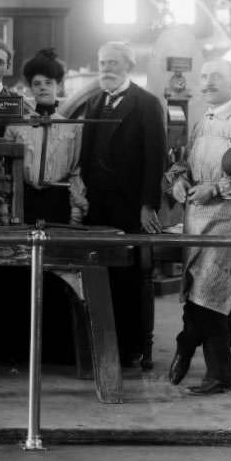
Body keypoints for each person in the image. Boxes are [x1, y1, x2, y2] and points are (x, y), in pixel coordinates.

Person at [166, 58, 231, 394]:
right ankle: (217, 373)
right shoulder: (203, 121)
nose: (208, 81)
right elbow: (185, 163)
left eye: (217, 76)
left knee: (212, 292)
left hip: (230, 223)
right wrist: (178, 181)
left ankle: (189, 346)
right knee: (198, 290)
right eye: (204, 76)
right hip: (195, 221)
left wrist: (216, 188)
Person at [79, 41, 166, 366]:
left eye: (114, 63)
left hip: (131, 208)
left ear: (128, 66)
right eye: (103, 63)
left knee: (130, 280)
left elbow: (155, 158)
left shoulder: (146, 103)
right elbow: (86, 156)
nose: (107, 69)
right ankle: (100, 345)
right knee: (99, 277)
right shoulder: (93, 102)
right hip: (97, 208)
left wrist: (148, 206)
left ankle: (133, 348)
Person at [4, 48, 87, 225]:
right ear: (30, 88)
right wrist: (6, 206)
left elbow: (75, 171)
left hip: (59, 201)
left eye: (48, 83)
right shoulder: (16, 127)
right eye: (37, 83)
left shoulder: (72, 128)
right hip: (24, 200)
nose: (42, 87)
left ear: (58, 86)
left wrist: (76, 206)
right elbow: (8, 170)